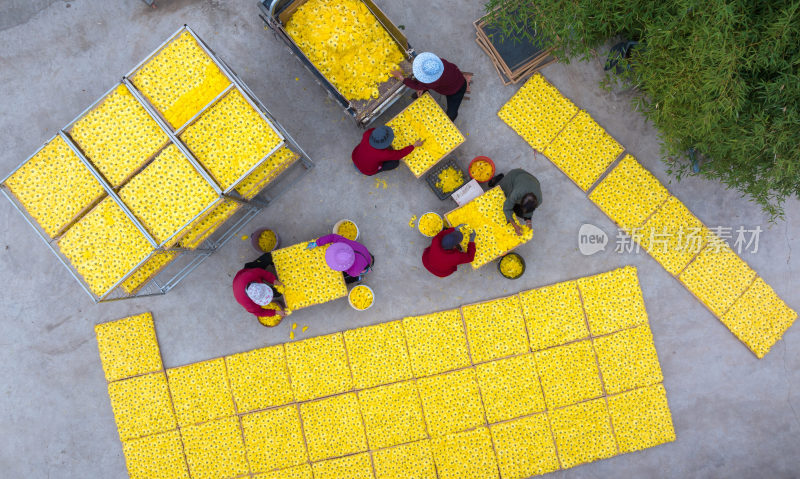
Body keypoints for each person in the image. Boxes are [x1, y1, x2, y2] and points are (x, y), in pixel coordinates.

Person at [391, 52, 473, 121]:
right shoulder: (440, 63)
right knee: (421, 88)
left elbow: (417, 85)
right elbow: (421, 84)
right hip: (457, 77)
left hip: (455, 91)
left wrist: (401, 77)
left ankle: (449, 122)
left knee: (451, 114)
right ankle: (423, 92)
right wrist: (421, 87)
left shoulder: (432, 82)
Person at [352, 125, 424, 176]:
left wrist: (385, 129)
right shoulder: (383, 154)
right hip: (366, 170)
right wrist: (414, 145)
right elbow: (399, 154)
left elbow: (376, 130)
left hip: (355, 158)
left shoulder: (367, 134)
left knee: (369, 152)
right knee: (395, 163)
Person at [490, 169, 543, 236]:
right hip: (514, 176)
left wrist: (529, 222)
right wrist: (514, 225)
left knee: (521, 213)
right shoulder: (517, 193)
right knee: (499, 191)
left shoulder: (539, 200)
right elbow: (506, 208)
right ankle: (497, 180)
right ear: (521, 199)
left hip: (529, 179)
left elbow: (530, 210)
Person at [232, 260, 286, 325]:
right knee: (278, 292)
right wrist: (276, 312)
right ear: (254, 301)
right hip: (239, 286)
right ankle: (276, 292)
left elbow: (262, 273)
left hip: (243, 274)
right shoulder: (249, 305)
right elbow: (260, 312)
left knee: (265, 258)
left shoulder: (251, 274)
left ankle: (271, 260)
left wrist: (274, 280)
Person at [308, 234, 374, 284]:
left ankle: (358, 278)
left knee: (344, 279)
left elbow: (349, 273)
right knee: (364, 258)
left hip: (364, 265)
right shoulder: (342, 242)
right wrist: (317, 243)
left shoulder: (354, 271)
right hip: (364, 252)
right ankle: (369, 260)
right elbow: (332, 237)